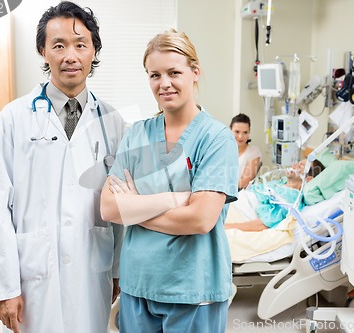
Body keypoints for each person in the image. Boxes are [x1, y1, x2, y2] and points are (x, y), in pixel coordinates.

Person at [0, 2, 126, 333]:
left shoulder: (113, 122)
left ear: (94, 51)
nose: (70, 56)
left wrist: (119, 269)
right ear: (43, 51)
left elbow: (121, 207)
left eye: (80, 45)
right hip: (34, 274)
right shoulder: (14, 118)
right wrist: (5, 287)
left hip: (93, 267)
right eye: (58, 45)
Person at [100, 29, 238, 333]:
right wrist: (174, 200)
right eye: (154, 75)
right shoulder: (136, 134)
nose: (164, 83)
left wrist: (135, 209)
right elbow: (110, 208)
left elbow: (200, 219)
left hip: (193, 287)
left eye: (174, 72)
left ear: (195, 72)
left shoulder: (216, 138)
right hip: (138, 285)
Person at [225, 159, 325, 232]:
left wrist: (229, 226)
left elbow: (264, 224)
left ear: (308, 179)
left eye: (301, 166)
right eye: (298, 163)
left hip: (238, 212)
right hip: (231, 202)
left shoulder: (290, 199)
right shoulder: (279, 184)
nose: (294, 166)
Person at [230, 113, 262, 190]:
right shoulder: (222, 149)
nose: (240, 136)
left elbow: (244, 182)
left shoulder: (253, 152)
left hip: (239, 195)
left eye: (245, 132)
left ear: (249, 133)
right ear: (230, 130)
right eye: (237, 132)